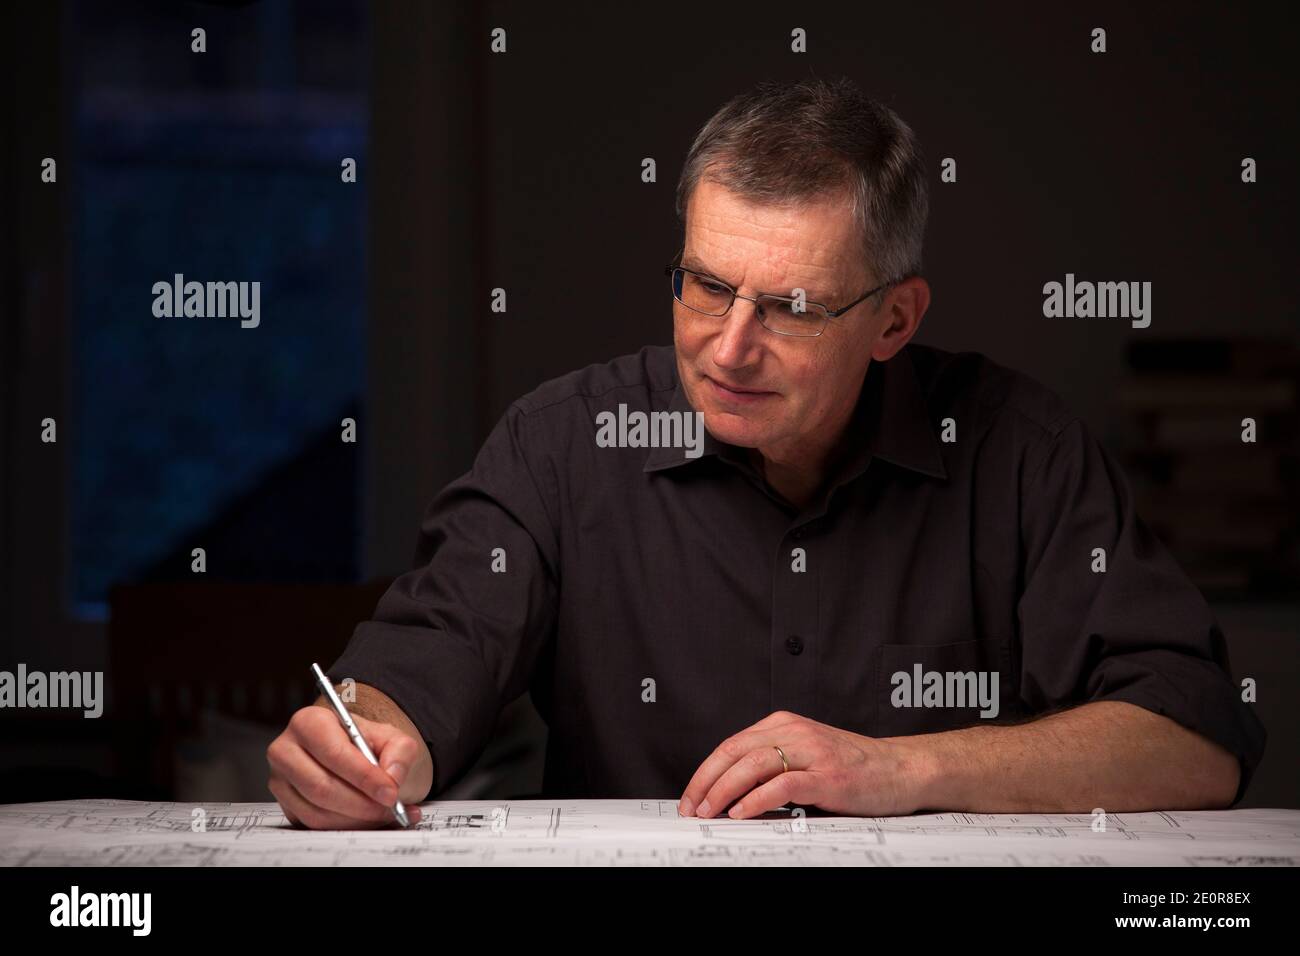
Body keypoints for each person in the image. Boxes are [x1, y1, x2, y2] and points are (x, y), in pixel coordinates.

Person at [267, 76, 1264, 830]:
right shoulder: (562, 441)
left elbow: (1197, 739)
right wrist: (363, 736)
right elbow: (422, 661)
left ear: (892, 319)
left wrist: (902, 769)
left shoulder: (1021, 452)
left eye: (789, 306)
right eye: (705, 285)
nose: (728, 344)